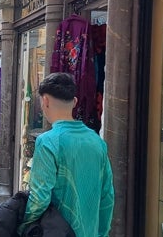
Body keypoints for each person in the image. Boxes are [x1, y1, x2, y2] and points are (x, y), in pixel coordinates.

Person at [18, 73, 114, 236]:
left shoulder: (48, 141)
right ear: (75, 102)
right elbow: (107, 196)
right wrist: (102, 232)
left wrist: (22, 227)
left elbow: (40, 197)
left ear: (45, 101)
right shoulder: (97, 142)